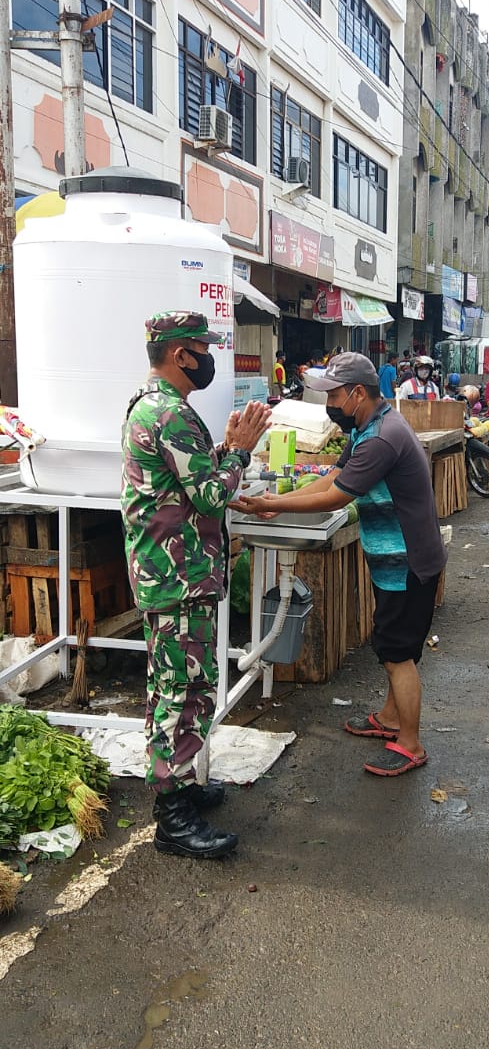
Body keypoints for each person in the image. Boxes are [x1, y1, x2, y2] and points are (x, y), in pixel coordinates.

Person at [234, 352, 448, 777]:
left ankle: (410, 743)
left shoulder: (382, 437)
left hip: (409, 563)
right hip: (396, 561)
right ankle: (390, 717)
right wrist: (279, 504)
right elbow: (333, 475)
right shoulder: (368, 428)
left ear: (357, 393)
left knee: (396, 651)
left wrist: (276, 504)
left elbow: (338, 495)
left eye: (334, 395)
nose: (330, 403)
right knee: (392, 644)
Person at [121, 311, 272, 859]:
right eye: (202, 349)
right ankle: (173, 818)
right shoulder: (171, 414)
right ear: (181, 354)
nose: (209, 357)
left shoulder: (149, 406)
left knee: (178, 685)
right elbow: (208, 495)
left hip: (170, 574)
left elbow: (186, 486)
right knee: (181, 692)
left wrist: (223, 452)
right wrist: (239, 450)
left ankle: (180, 784)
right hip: (177, 578)